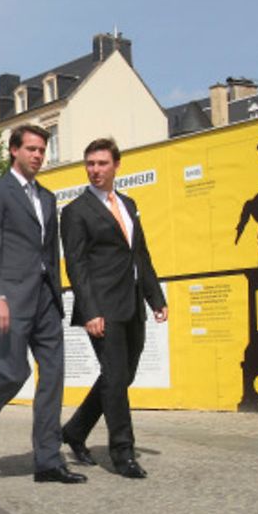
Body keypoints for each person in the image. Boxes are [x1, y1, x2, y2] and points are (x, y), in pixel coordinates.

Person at [0, 125, 86, 484]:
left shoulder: (47, 198)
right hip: (11, 299)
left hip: (47, 298)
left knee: (54, 375)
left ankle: (47, 460)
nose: (37, 155)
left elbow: (50, 250)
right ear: (14, 150)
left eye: (41, 150)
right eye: (30, 148)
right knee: (14, 374)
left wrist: (59, 292)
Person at [60, 138, 167, 479]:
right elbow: (75, 266)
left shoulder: (129, 203)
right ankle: (122, 452)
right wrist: (90, 311)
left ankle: (75, 430)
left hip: (132, 303)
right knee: (116, 377)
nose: (95, 170)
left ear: (116, 165)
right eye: (90, 164)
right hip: (102, 307)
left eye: (102, 163)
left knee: (121, 376)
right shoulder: (75, 211)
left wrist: (156, 298)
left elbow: (140, 254)